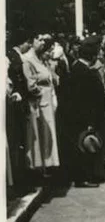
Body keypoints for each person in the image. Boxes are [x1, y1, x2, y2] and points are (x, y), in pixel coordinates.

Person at [63, 35, 105, 188]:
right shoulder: (85, 72)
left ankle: (84, 176)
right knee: (82, 147)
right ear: (92, 55)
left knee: (82, 146)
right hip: (84, 118)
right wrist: (90, 121)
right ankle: (82, 178)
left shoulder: (78, 68)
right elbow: (86, 100)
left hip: (80, 116)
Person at [22, 34, 61, 176]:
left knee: (48, 133)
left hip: (47, 99)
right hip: (39, 101)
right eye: (39, 39)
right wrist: (41, 92)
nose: (43, 43)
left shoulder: (41, 59)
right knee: (40, 134)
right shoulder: (28, 59)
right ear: (31, 41)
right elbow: (31, 84)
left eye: (44, 40)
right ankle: (40, 167)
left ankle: (48, 164)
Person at [6, 33, 32, 196]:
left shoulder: (9, 56)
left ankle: (15, 182)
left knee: (16, 144)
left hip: (13, 105)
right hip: (9, 106)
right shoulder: (11, 56)